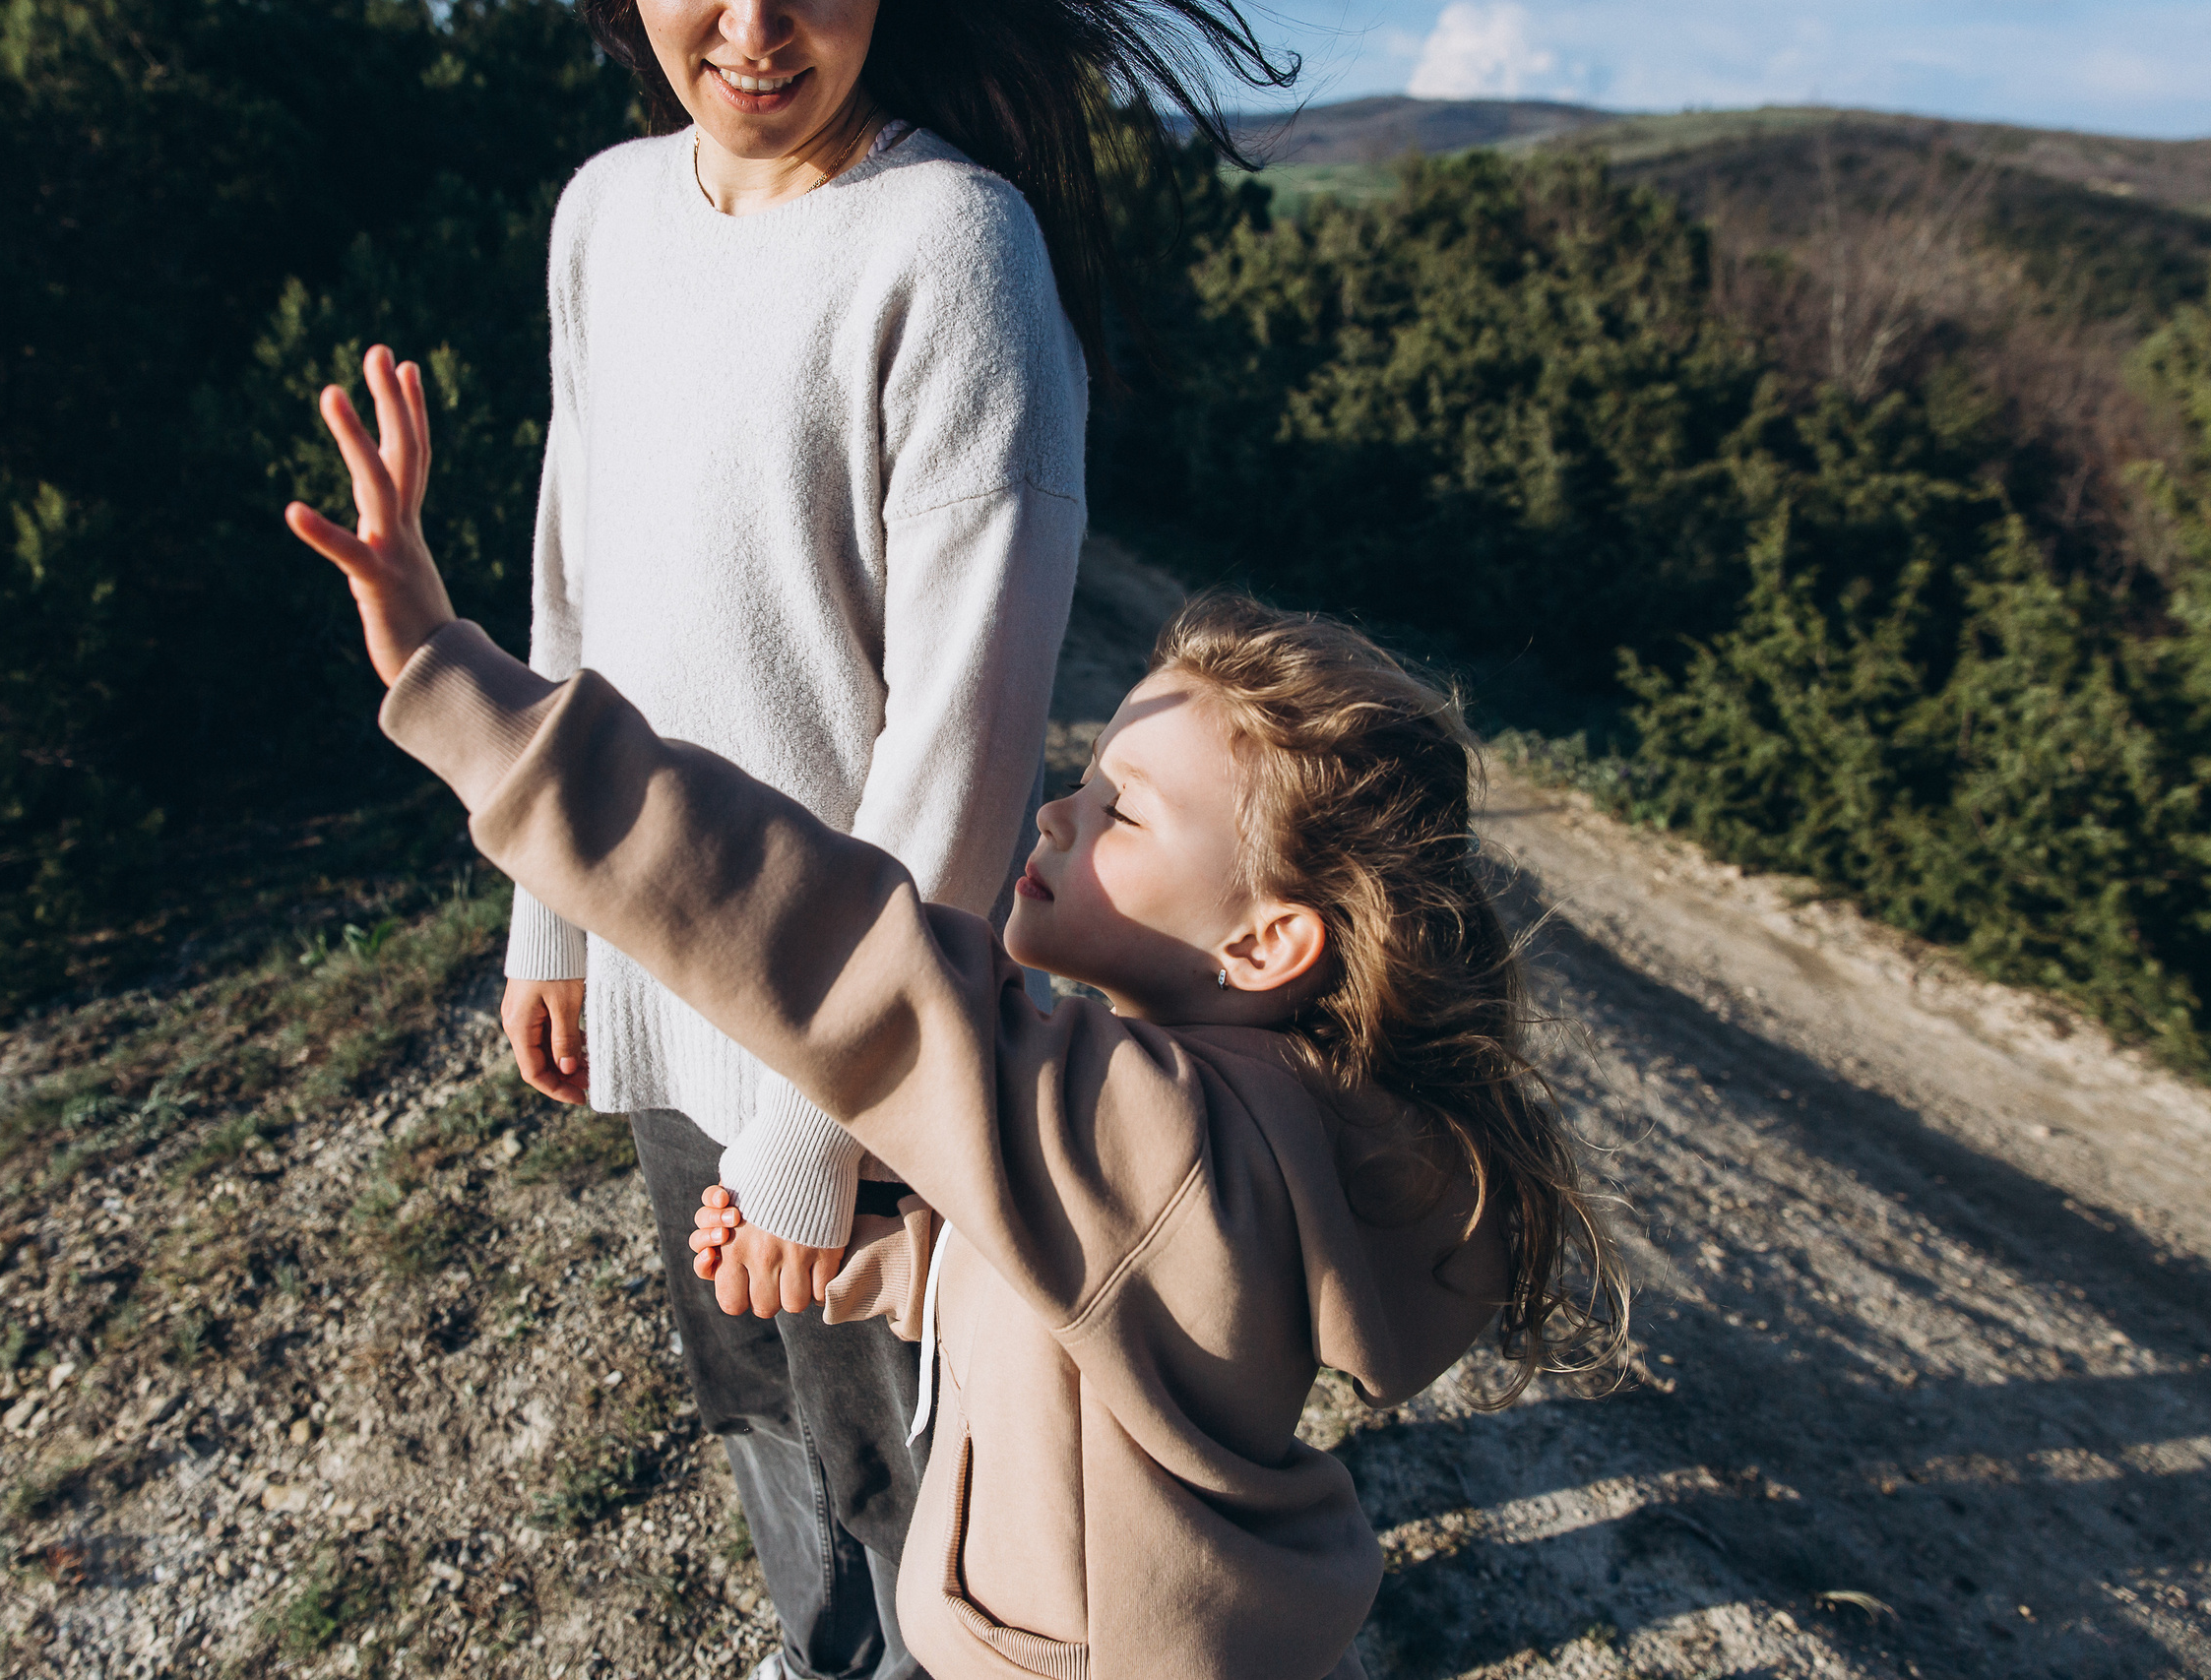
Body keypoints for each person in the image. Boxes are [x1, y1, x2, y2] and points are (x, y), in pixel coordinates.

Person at [285, 351, 1629, 1680]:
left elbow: (815, 935)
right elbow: (1110, 1316)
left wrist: (464, 690)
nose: (1057, 811)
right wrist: (894, 1267)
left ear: (1268, 938)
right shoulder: (1269, 1125)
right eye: (1087, 779)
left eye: (1121, 813)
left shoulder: (1152, 1127)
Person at [475, 3, 1293, 1676]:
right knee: (754, 1396)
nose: (759, 26)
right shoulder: (603, 212)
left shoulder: (954, 244)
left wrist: (815, 1130)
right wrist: (550, 919)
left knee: (915, 1458)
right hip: (668, 970)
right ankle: (825, 1652)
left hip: (872, 1047)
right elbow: (576, 574)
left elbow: (961, 757)